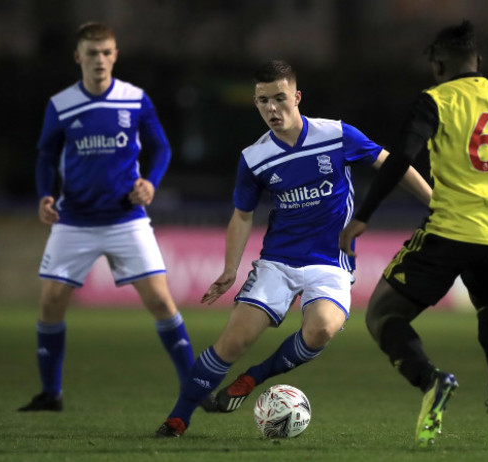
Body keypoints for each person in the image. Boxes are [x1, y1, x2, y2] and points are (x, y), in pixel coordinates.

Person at [155, 60, 432, 437]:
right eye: (262, 101)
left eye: (279, 98)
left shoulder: (335, 135)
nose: (271, 108)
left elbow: (392, 164)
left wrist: (434, 201)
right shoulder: (254, 158)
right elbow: (241, 216)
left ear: (296, 97)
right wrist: (230, 268)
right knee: (234, 340)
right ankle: (178, 418)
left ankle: (254, 378)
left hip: (330, 262)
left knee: (321, 329)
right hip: (277, 262)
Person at [339, 21, 488, 447]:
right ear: (478, 61)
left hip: (448, 229)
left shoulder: (436, 100)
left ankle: (433, 380)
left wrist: (364, 214)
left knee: (382, 315)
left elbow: (402, 157)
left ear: (438, 65)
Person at [18, 22, 195, 412]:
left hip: (125, 219)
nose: (99, 59)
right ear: (78, 56)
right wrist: (45, 194)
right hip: (74, 220)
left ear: (115, 55)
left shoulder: (134, 99)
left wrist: (150, 183)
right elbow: (46, 155)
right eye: (92, 52)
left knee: (162, 303)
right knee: (49, 304)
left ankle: (195, 388)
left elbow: (161, 148)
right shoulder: (61, 104)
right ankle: (51, 394)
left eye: (106, 52)